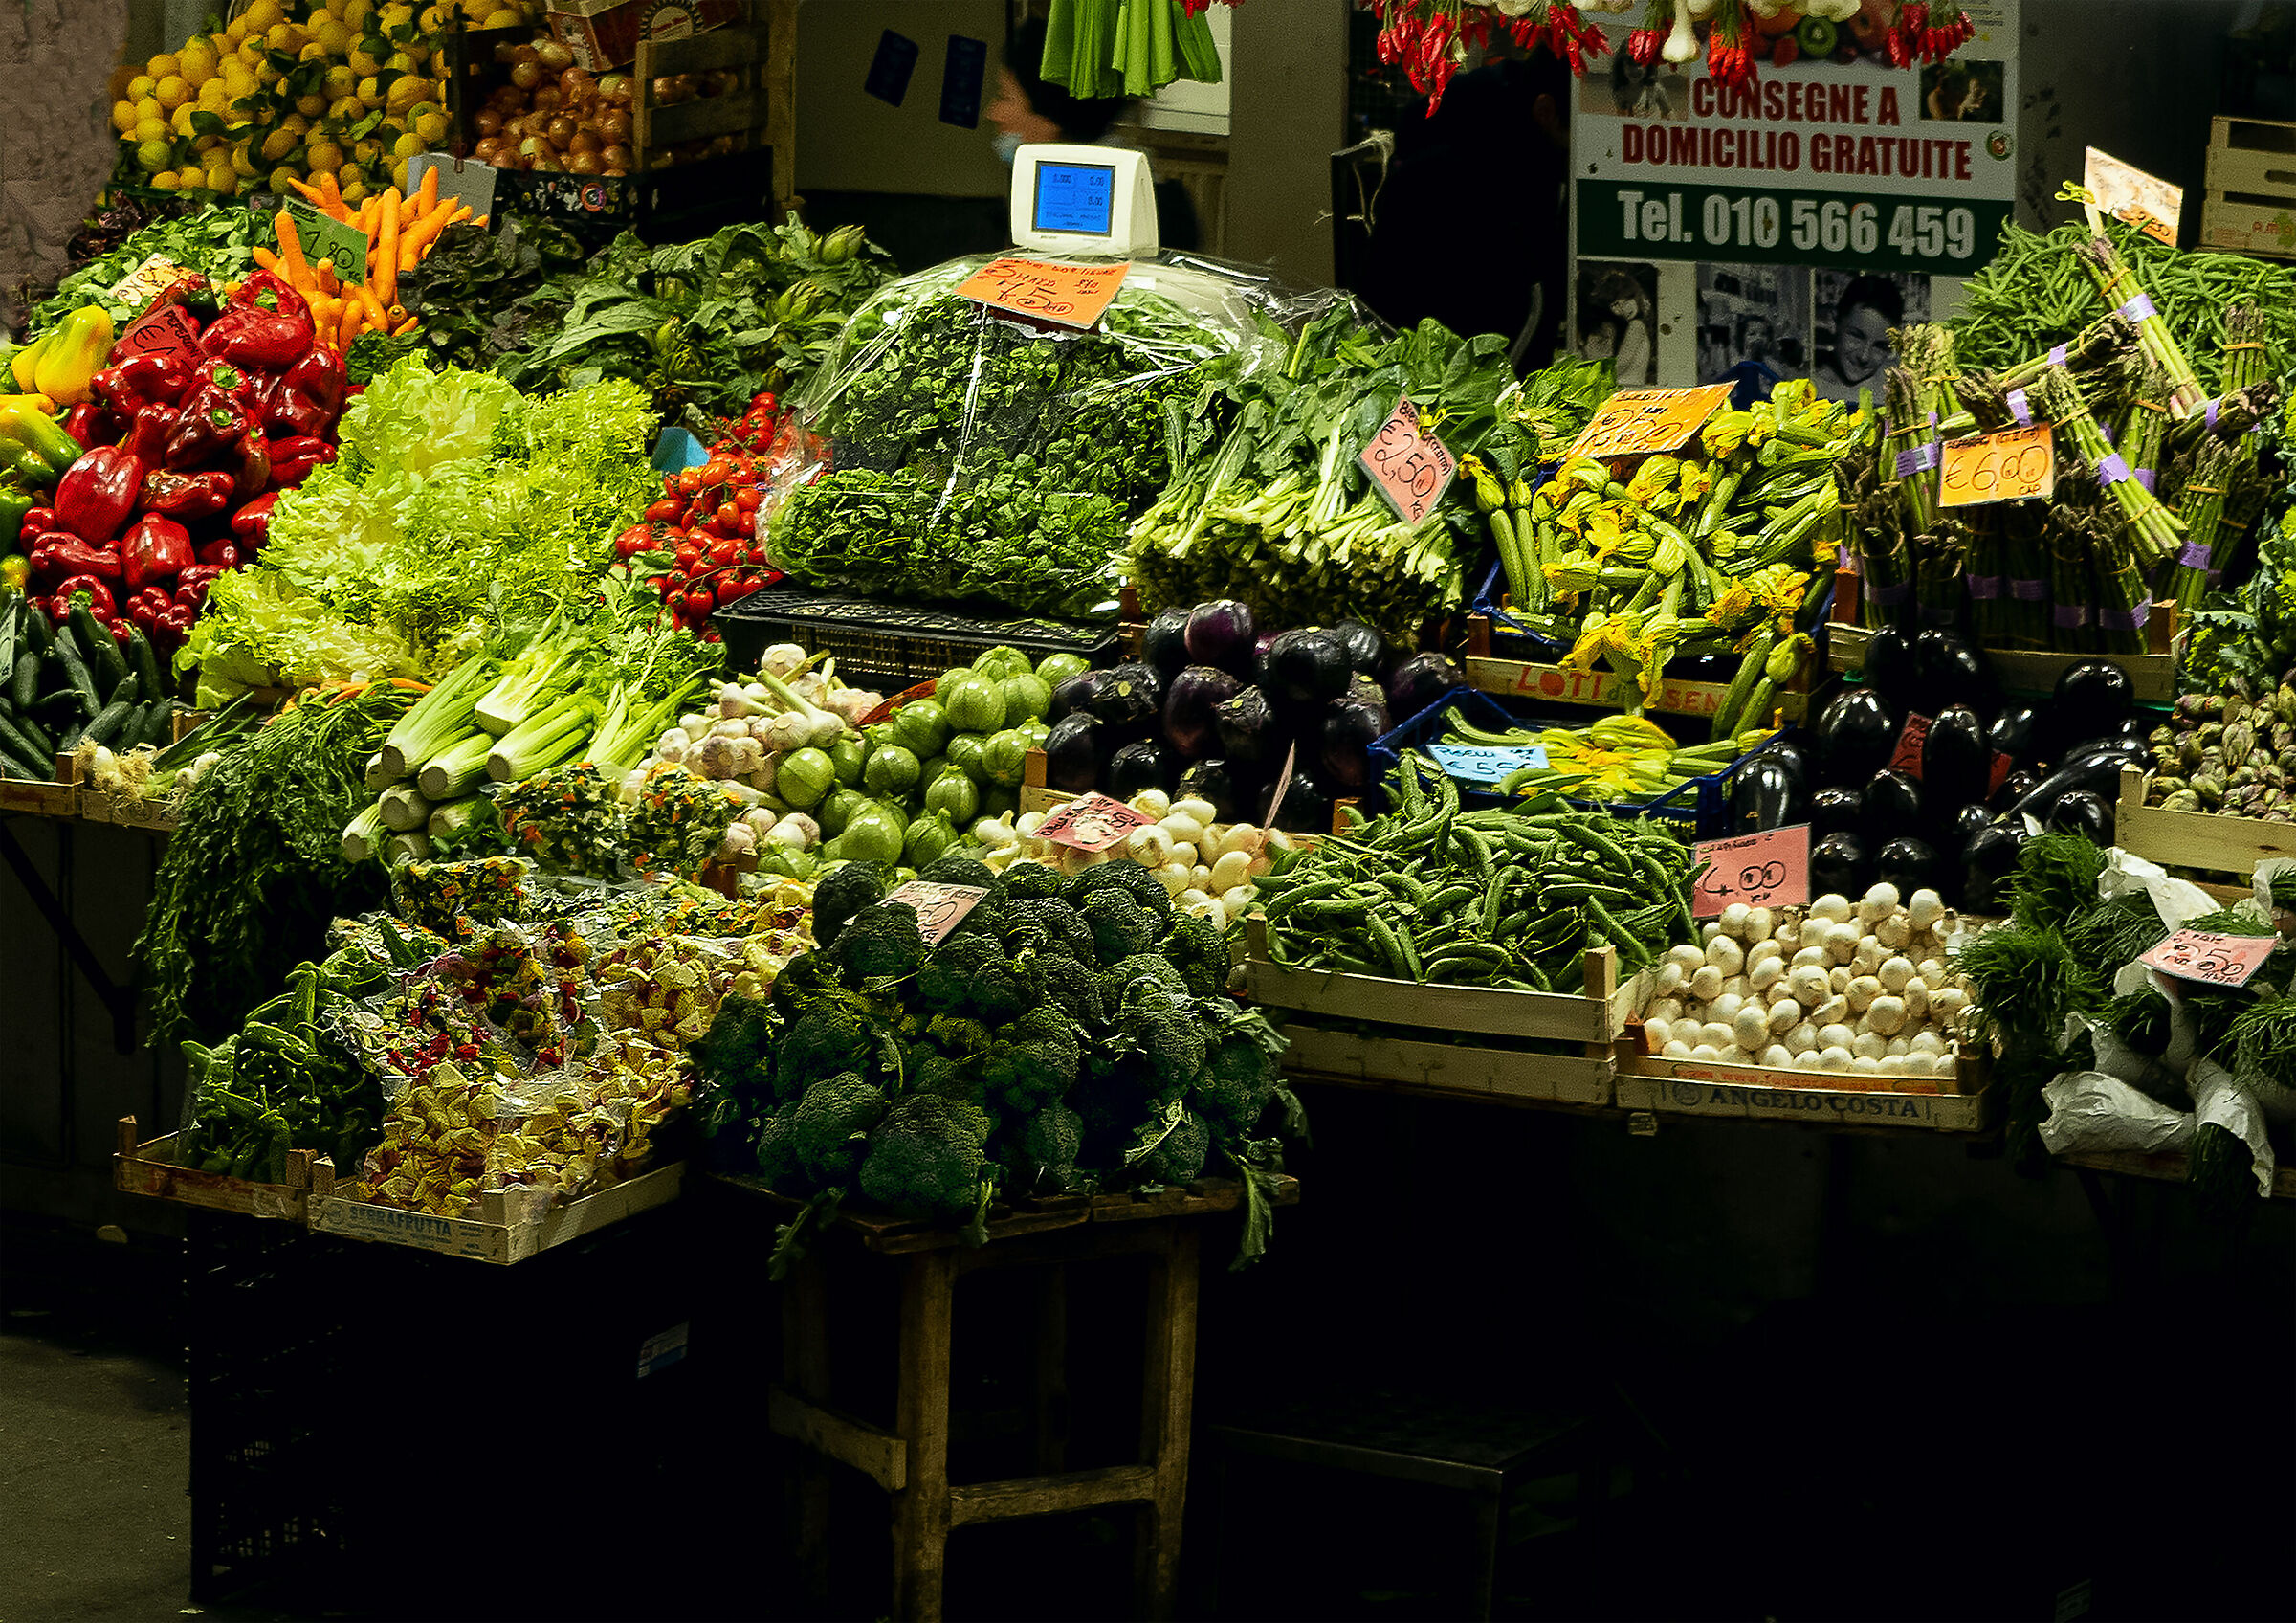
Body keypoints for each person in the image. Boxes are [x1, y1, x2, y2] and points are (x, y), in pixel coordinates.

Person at [985, 20, 1199, 251]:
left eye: (1004, 96)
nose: (993, 113)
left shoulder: (1160, 217)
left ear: (1052, 116)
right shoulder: (1043, 199)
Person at [1813, 275, 1903, 403]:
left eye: (1879, 346)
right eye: (1856, 336)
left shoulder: (1898, 391)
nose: (1864, 356)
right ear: (1833, 322)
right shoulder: (1804, 385)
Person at [1578, 267, 1655, 385]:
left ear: (1637, 295)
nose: (1623, 309)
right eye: (1615, 305)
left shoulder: (1636, 326)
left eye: (1627, 300)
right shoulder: (1635, 326)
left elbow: (1621, 364)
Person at [1712, 313, 1785, 410]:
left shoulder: (1772, 364)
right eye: (1752, 334)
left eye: (1763, 334)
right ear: (1742, 338)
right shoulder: (1735, 363)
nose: (1758, 338)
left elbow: (1780, 383)